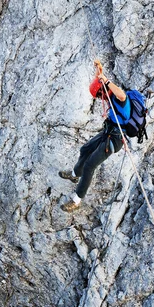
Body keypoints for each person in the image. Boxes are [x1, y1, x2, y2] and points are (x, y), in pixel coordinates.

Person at [59, 61, 129, 212]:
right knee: (85, 149)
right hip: (107, 133)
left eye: (99, 95)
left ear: (103, 91)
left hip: (114, 139)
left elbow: (122, 95)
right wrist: (99, 71)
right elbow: (101, 83)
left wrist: (106, 80)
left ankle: (76, 201)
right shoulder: (109, 93)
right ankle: (74, 174)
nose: (99, 98)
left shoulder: (119, 99)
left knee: (90, 165)